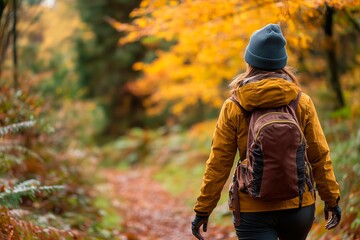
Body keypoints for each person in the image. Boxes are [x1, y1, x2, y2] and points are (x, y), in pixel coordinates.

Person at [191, 23, 341, 240]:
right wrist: (332, 199)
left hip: (252, 209)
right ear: (282, 62)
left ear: (249, 61)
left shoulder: (234, 105)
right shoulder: (302, 102)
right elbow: (319, 155)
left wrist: (203, 210)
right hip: (298, 205)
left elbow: (219, 164)